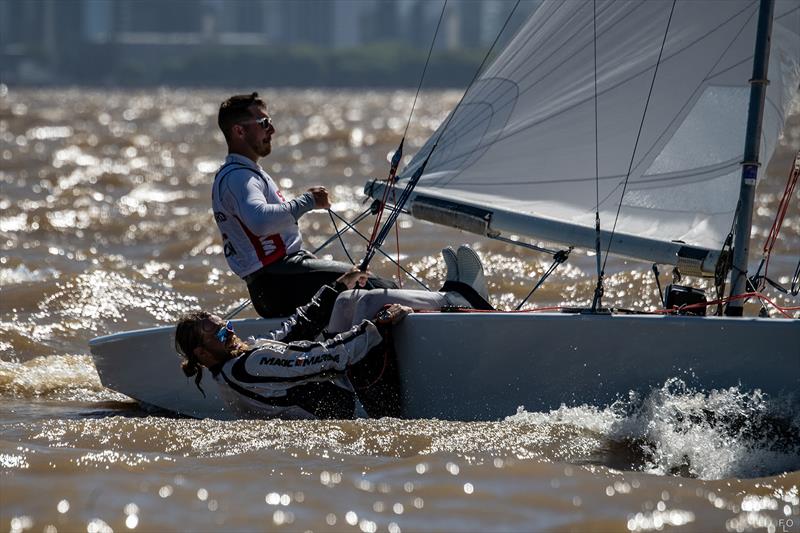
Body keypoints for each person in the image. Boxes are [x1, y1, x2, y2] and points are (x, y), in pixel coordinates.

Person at [212, 92, 396, 318]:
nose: (272, 130)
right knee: (378, 287)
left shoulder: (242, 173)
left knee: (365, 286)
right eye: (264, 123)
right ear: (239, 131)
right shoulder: (239, 177)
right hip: (279, 280)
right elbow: (259, 221)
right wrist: (308, 200)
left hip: (277, 283)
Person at [175, 270, 409, 420]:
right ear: (202, 353)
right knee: (368, 302)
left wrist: (335, 289)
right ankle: (445, 300)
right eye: (222, 335)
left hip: (348, 413)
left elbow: (292, 330)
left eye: (227, 327)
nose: (230, 334)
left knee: (344, 302)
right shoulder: (251, 364)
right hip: (372, 409)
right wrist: (378, 325)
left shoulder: (229, 376)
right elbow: (327, 357)